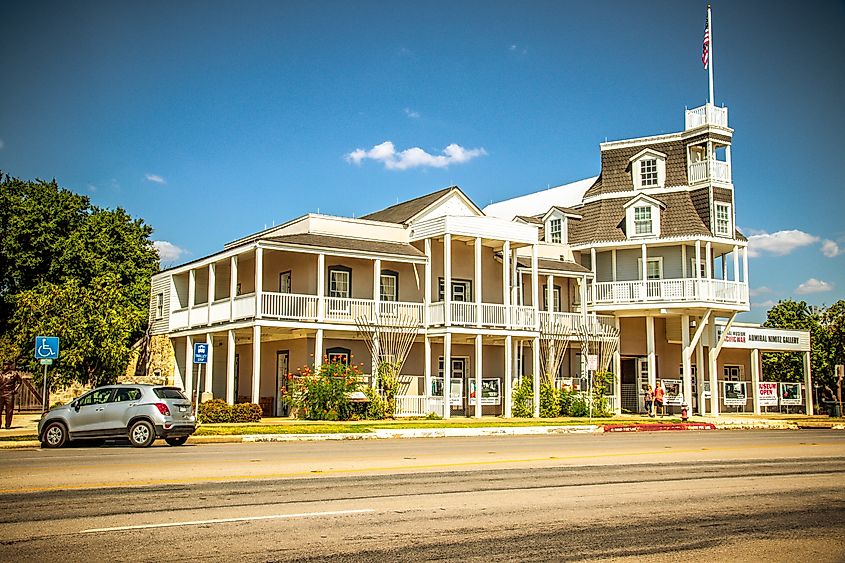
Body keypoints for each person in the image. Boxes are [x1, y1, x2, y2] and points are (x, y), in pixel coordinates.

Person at [0, 360, 23, 429]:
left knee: (9, 411)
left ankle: (7, 425)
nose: (5, 366)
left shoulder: (14, 374)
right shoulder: (0, 373)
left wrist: (15, 390)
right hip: (1, 393)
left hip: (9, 394)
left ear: (9, 365)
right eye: (4, 364)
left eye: (6, 364)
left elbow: (19, 382)